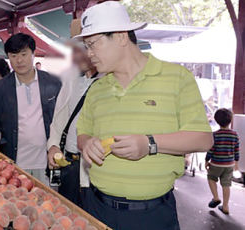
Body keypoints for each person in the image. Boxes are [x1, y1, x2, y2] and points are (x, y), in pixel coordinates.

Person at [75, 2, 213, 229]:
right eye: (86, 46)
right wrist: (87, 143)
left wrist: (150, 143)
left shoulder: (176, 78)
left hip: (153, 216)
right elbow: (83, 132)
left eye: (92, 44)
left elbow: (203, 138)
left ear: (120, 36)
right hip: (97, 208)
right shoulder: (96, 89)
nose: (89, 54)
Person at [0, 33, 61, 184]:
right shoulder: (0, 89)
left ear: (33, 54)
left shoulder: (53, 83)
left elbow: (61, 119)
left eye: (24, 54)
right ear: (8, 57)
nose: (19, 60)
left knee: (49, 202)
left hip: (46, 162)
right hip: (15, 161)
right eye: (14, 56)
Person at [47, 19, 103, 206]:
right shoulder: (72, 80)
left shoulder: (108, 83)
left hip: (93, 169)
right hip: (68, 164)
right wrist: (53, 146)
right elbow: (59, 119)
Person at [206, 108, 240, 215]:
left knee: (211, 178)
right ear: (230, 120)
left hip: (216, 163)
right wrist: (236, 165)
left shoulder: (215, 135)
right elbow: (237, 151)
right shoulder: (234, 134)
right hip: (229, 164)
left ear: (216, 120)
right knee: (226, 185)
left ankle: (216, 198)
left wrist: (207, 160)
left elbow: (211, 149)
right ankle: (225, 206)